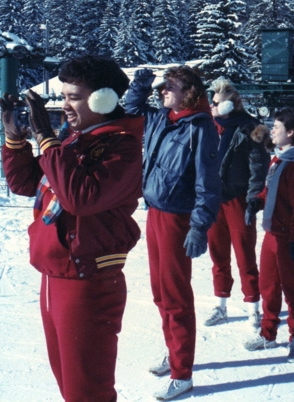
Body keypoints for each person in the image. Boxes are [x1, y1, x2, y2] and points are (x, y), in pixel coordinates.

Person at [0, 55, 143, 402]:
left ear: (103, 99)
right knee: (69, 385)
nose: (64, 105)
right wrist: (13, 137)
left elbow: (80, 197)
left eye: (72, 97)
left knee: (87, 391)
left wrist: (47, 138)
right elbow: (25, 182)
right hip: (56, 275)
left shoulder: (122, 148)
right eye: (62, 96)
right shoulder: (77, 140)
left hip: (88, 282)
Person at [125, 66, 221, 401]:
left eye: (172, 86)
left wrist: (199, 225)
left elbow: (208, 183)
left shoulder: (201, 127)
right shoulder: (162, 118)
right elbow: (131, 110)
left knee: (176, 295)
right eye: (163, 85)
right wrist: (140, 84)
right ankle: (173, 351)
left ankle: (183, 373)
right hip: (155, 213)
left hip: (178, 219)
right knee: (160, 292)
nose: (164, 90)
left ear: (190, 92)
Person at [243, 107, 294, 364]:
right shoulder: (282, 159)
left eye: (277, 128)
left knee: (292, 288)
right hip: (273, 234)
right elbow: (273, 192)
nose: (271, 131)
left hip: (290, 237)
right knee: (268, 286)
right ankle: (268, 332)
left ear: (291, 132)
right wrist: (257, 202)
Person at [204, 77, 271, 329]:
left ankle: (253, 306)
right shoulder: (209, 126)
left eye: (216, 101)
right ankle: (221, 303)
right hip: (213, 198)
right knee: (217, 252)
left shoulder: (249, 128)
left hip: (238, 198)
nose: (211, 105)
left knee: (245, 253)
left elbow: (258, 167)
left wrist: (254, 199)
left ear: (229, 105)